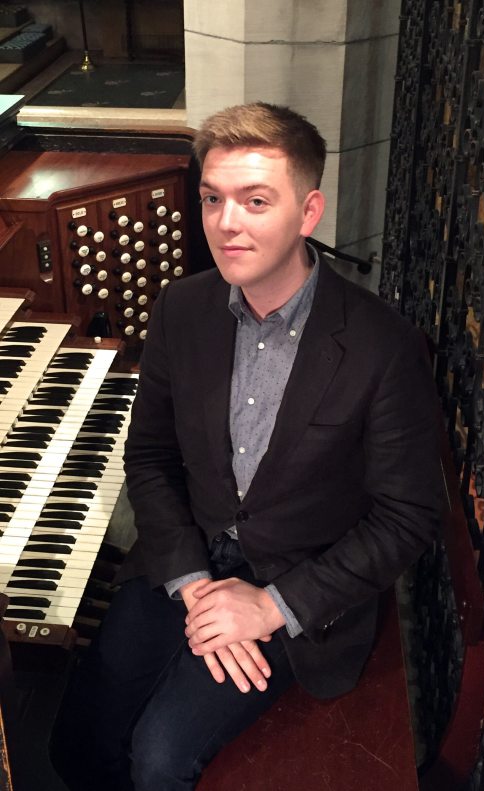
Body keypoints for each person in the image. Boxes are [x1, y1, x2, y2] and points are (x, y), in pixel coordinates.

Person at [50, 102, 443, 791]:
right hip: (184, 558)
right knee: (77, 740)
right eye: (212, 198)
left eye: (256, 200)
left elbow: (406, 516)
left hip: (299, 580)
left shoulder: (382, 345)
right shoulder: (181, 309)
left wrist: (269, 606)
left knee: (159, 758)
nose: (227, 222)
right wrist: (195, 585)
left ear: (308, 210)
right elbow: (149, 457)